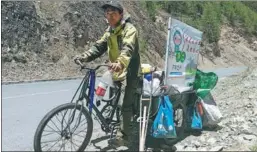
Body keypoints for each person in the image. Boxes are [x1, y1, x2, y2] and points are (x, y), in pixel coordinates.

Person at [74, 1, 141, 146]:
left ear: (121, 15)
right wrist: (84, 56)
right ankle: (113, 119)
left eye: (113, 14)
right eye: (108, 14)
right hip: (115, 70)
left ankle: (124, 137)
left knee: (125, 104)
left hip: (129, 71)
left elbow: (128, 48)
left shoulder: (130, 29)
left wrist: (120, 62)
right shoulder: (109, 31)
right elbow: (99, 47)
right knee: (108, 94)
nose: (110, 17)